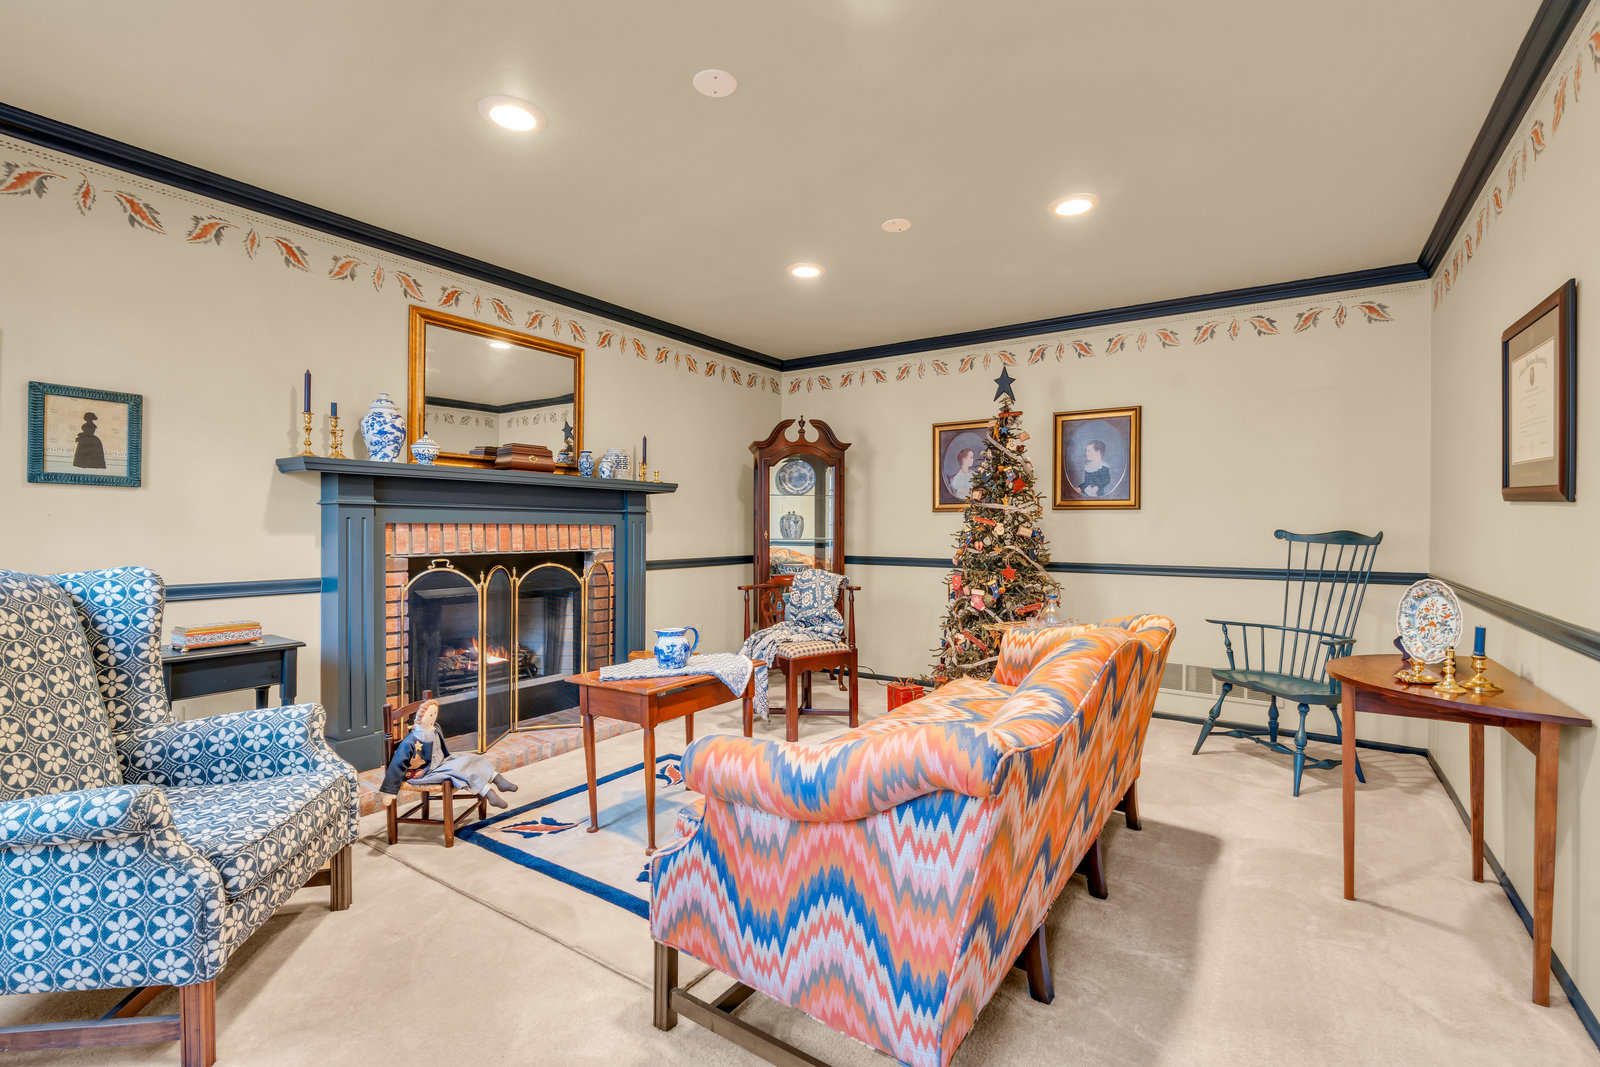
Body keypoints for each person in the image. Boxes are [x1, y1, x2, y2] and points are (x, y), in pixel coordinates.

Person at [379, 699, 520, 809]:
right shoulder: (411, 741)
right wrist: (389, 790)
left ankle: (498, 779)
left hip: (442, 762)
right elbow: (397, 763)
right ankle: (489, 793)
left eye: (434, 714)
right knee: (461, 769)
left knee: (473, 758)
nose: (433, 718)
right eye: (430, 715)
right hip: (426, 772)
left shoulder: (434, 729)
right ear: (419, 718)